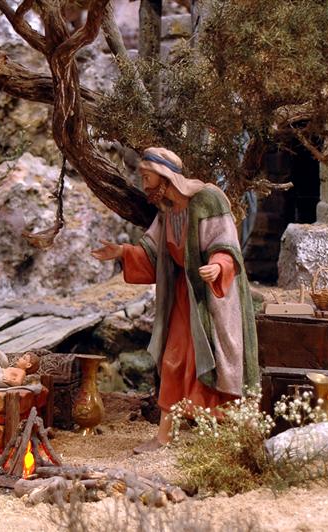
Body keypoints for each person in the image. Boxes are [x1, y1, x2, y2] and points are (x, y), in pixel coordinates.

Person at [91, 147, 258, 454]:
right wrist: (122, 252)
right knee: (173, 360)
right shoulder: (167, 212)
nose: (144, 184)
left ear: (164, 175)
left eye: (147, 177)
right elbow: (152, 254)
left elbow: (227, 245)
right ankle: (164, 436)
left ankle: (229, 437)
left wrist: (218, 266)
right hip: (184, 295)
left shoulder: (208, 199)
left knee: (218, 361)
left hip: (213, 298)